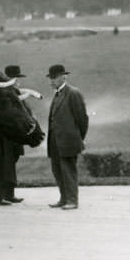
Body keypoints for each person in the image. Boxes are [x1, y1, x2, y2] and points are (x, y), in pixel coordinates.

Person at [0, 65, 43, 205]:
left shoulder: (12, 91)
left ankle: (9, 194)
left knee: (9, 163)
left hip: (10, 135)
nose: (18, 81)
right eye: (16, 78)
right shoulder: (1, 92)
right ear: (8, 79)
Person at [46, 64, 88, 210]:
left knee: (68, 171)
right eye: (50, 78)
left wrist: (78, 138)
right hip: (55, 142)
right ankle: (64, 199)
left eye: (55, 78)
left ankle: (72, 200)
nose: (52, 81)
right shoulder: (57, 94)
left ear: (64, 77)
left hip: (68, 141)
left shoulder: (73, 93)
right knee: (57, 171)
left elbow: (82, 120)